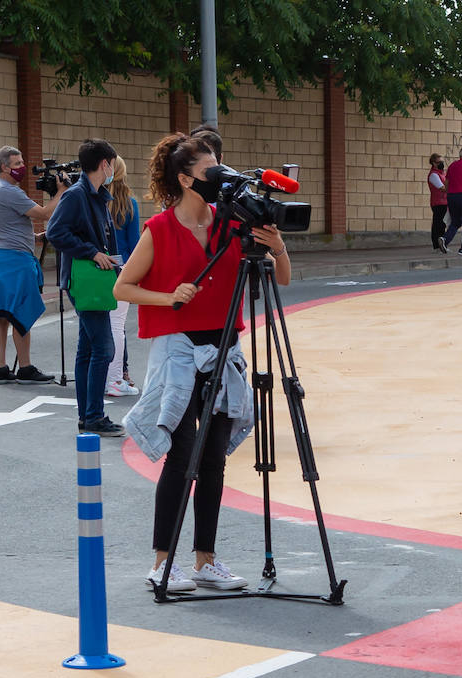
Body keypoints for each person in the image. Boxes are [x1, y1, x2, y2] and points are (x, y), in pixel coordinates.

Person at [115, 132, 291, 592]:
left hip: (224, 349)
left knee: (213, 459)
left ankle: (205, 561)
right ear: (185, 178)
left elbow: (284, 278)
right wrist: (169, 296)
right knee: (182, 456)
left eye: (220, 168)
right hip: (178, 352)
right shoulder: (160, 229)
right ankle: (163, 561)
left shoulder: (231, 224)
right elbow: (123, 288)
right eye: (210, 171)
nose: (218, 178)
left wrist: (278, 245)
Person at [47, 137, 122, 436]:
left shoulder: (94, 194)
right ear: (104, 164)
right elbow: (55, 231)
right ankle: (93, 416)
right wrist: (92, 252)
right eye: (112, 163)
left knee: (88, 349)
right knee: (104, 349)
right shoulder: (77, 195)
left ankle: (87, 416)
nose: (114, 168)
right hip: (85, 280)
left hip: (91, 279)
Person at [0, 145, 66, 385]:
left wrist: (34, 237)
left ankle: (0, 368)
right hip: (16, 261)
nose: (22, 168)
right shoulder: (9, 191)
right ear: (4, 167)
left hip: (0, 257)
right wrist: (61, 192)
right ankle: (26, 368)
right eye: (17, 164)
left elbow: (9, 225)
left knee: (0, 314)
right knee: (20, 312)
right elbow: (43, 213)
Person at [105, 155, 142, 397]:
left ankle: (105, 376)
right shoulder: (129, 204)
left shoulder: (97, 201)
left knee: (100, 326)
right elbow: (135, 243)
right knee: (118, 327)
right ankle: (116, 378)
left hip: (98, 268)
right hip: (123, 270)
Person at [427, 152, 449, 253]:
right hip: (437, 203)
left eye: (442, 161)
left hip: (444, 203)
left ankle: (442, 245)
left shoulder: (442, 173)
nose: (441, 163)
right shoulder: (433, 175)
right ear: (433, 163)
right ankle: (436, 246)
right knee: (437, 225)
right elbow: (443, 188)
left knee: (442, 225)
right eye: (439, 162)